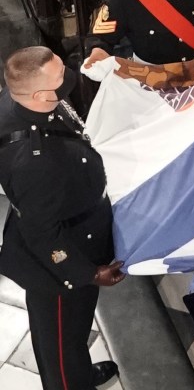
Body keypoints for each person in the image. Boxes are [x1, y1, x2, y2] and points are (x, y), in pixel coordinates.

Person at [0, 47, 126, 390]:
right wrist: (87, 272)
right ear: (40, 95)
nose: (69, 78)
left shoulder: (23, 102)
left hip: (71, 222)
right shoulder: (35, 162)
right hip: (57, 267)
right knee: (60, 339)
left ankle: (78, 373)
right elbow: (43, 235)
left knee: (69, 335)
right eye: (61, 79)